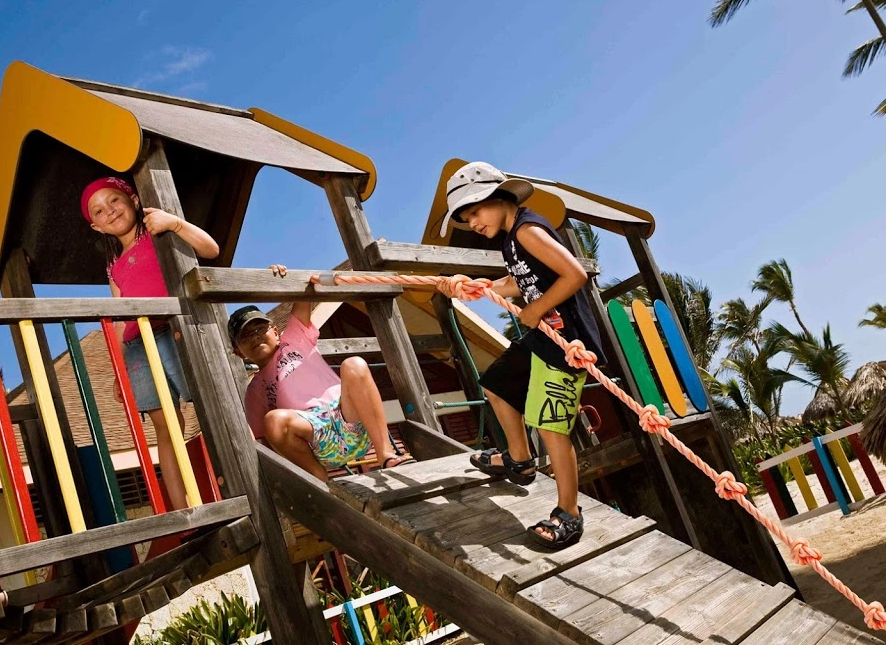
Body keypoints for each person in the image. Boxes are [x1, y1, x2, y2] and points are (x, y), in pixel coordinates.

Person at [436, 161, 607, 549]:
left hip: (568, 344)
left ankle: (569, 513)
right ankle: (519, 460)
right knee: (496, 384)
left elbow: (575, 274)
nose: (472, 223)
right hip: (542, 338)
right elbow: (519, 280)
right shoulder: (511, 239)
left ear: (500, 198)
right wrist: (483, 287)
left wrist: (536, 309)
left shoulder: (528, 230)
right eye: (465, 218)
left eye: (475, 212)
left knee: (551, 426)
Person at [82, 176, 220, 510]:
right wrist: (119, 371)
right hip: (138, 347)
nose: (109, 211)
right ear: (97, 227)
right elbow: (120, 319)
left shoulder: (159, 230)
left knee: (211, 404)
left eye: (114, 200)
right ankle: (183, 509)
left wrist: (175, 223)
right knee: (168, 426)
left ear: (132, 199)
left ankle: (239, 478)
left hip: (175, 329)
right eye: (99, 211)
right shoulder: (113, 267)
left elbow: (210, 250)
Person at [229, 267, 414, 481]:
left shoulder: (294, 338)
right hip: (317, 437)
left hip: (349, 417)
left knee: (354, 364)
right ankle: (320, 481)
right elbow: (259, 439)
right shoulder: (255, 388)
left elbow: (306, 288)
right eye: (245, 337)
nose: (255, 337)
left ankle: (386, 453)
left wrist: (280, 275)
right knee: (274, 420)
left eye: (260, 329)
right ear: (238, 352)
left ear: (276, 332)